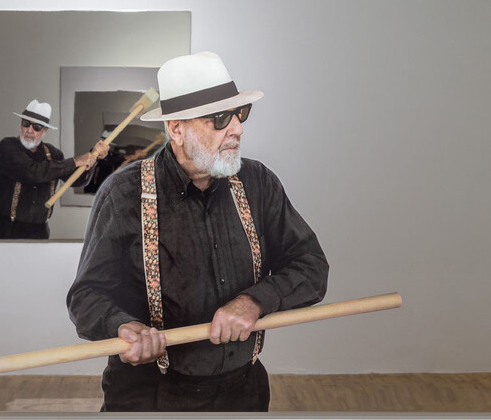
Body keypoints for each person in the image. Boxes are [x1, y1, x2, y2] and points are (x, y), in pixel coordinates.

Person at [66, 51, 329, 412]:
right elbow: (86, 296)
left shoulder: (258, 183)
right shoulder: (124, 194)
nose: (237, 128)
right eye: (220, 119)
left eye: (239, 114)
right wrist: (122, 326)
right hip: (150, 398)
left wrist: (255, 301)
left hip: (244, 393)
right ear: (177, 129)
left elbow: (311, 266)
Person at [0, 99, 109, 240]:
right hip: (6, 229)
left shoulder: (53, 153)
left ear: (44, 130)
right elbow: (33, 172)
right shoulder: (8, 146)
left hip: (39, 231)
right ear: (21, 124)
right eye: (26, 123)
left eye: (37, 127)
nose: (29, 130)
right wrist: (75, 161)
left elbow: (76, 181)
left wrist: (94, 157)